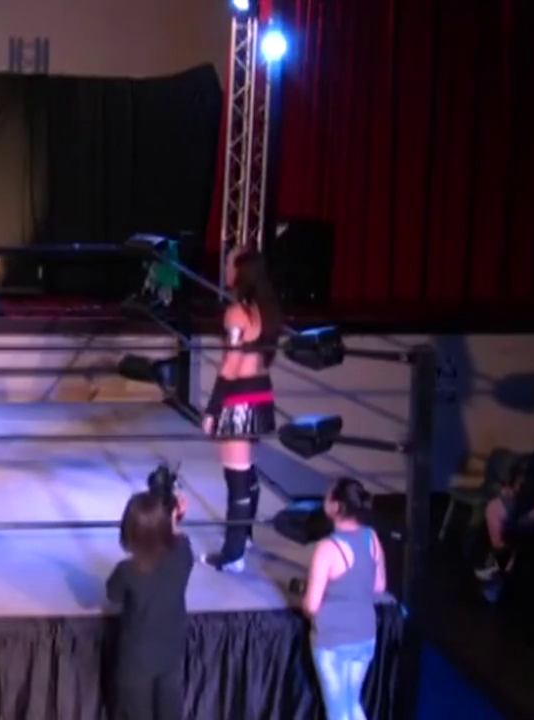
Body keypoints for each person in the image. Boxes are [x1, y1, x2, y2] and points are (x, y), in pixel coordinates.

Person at [200, 247, 281, 572]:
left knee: (236, 476)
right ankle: (243, 538)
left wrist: (212, 408)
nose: (225, 267)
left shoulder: (237, 313)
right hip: (261, 392)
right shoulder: (265, 310)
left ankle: (233, 554)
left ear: (241, 270)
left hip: (239, 398)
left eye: (229, 262)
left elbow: (231, 364)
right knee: (247, 470)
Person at [300, 477, 386, 720]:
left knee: (339, 712)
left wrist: (307, 594)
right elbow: (379, 587)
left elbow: (311, 606)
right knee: (350, 704)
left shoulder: (327, 548)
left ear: (336, 506)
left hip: (333, 642)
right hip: (365, 636)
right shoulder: (371, 538)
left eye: (328, 496)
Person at [106, 488, 193, 720]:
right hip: (171, 653)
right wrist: (173, 517)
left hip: (137, 662)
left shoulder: (127, 571)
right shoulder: (183, 555)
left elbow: (112, 595)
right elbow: (177, 538)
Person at [475, 411, 534, 580]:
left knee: (520, 528)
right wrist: (512, 489)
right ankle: (502, 561)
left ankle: (504, 570)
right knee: (493, 509)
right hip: (522, 500)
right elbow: (524, 476)